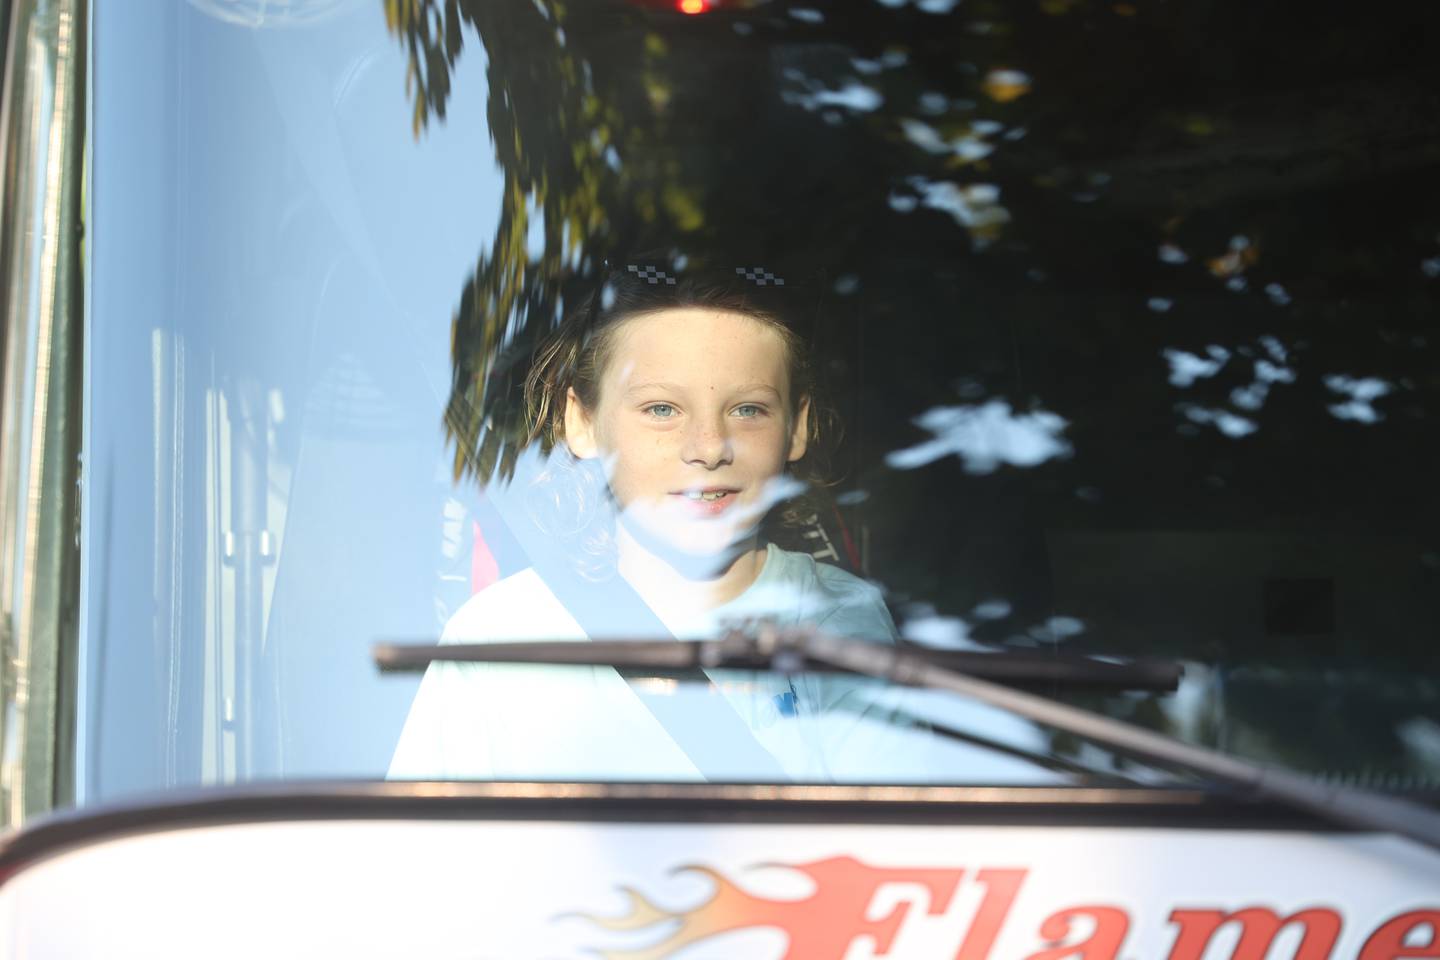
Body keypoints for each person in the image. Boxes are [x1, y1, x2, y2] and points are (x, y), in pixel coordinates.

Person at [388, 259, 921, 782]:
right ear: (583, 421)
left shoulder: (838, 617)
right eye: (662, 409)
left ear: (797, 427)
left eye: (749, 409)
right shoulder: (500, 637)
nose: (710, 447)